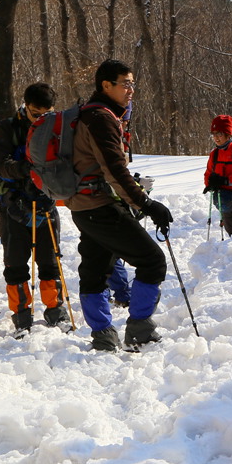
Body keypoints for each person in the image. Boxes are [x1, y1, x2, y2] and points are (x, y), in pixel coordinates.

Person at [69, 59, 174, 351]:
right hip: (100, 206)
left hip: (85, 206)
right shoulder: (100, 118)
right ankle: (139, 328)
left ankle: (103, 334)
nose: (131, 90)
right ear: (106, 85)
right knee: (152, 261)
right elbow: (115, 170)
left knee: (95, 269)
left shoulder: (92, 114)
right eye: (125, 84)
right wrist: (147, 204)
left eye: (132, 83)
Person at [0, 83, 70, 333]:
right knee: (15, 262)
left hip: (46, 200)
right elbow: (0, 164)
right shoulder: (7, 128)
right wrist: (27, 169)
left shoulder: (58, 127)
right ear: (25, 106)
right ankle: (21, 312)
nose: (41, 118)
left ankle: (55, 308)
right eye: (36, 113)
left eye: (47, 113)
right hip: (14, 201)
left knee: (50, 259)